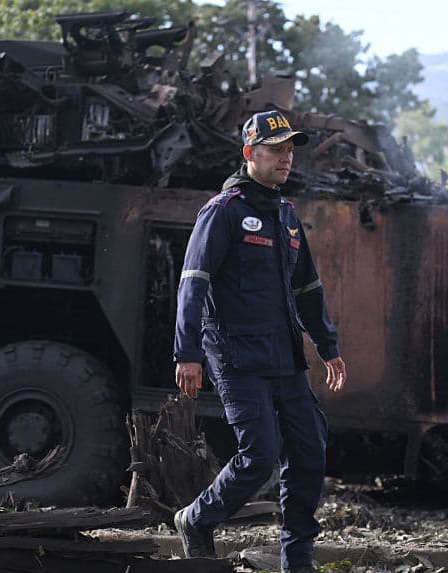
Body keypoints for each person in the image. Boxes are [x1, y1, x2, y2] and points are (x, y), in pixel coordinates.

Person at [172, 110, 347, 573]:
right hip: (235, 356)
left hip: (284, 355)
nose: (286, 158)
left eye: (290, 149)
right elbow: (194, 282)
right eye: (276, 149)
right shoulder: (223, 211)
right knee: (260, 455)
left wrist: (327, 347)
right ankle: (195, 519)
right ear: (250, 154)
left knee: (310, 448)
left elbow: (308, 288)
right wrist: (187, 353)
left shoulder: (286, 215)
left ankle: (298, 560)